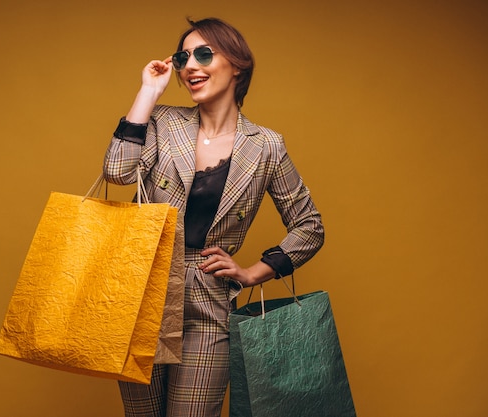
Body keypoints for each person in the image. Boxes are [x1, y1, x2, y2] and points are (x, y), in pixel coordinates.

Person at [103, 17, 324, 417]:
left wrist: (254, 272)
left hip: (207, 297)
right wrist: (148, 92)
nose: (190, 66)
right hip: (142, 293)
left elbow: (309, 226)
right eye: (182, 56)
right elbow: (117, 172)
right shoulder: (163, 123)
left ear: (237, 65)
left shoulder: (266, 146)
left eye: (204, 54)